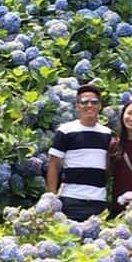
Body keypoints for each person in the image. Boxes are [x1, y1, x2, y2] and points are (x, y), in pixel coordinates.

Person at [45, 83, 113, 220]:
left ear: (99, 106)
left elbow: (108, 167)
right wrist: (52, 199)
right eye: (84, 102)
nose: (89, 105)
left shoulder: (107, 134)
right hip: (71, 200)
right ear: (77, 106)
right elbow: (53, 165)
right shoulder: (65, 131)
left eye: (94, 102)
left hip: (98, 201)